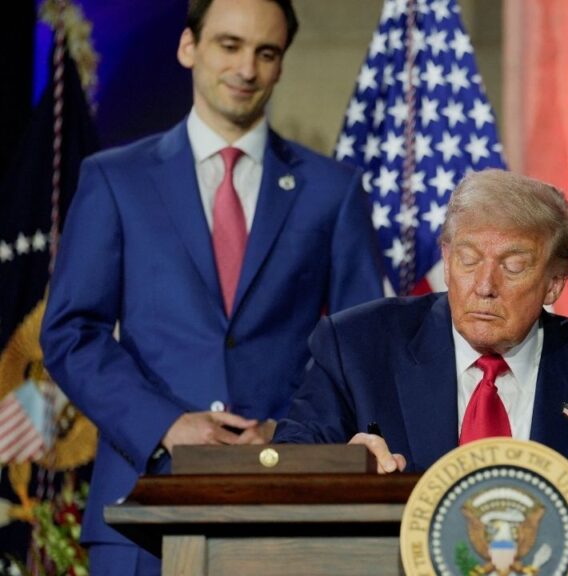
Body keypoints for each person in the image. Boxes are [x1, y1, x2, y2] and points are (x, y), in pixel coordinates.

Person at [40, 0, 382, 573]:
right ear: (188, 47)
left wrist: (292, 434)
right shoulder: (113, 179)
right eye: (229, 45)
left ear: (280, 65)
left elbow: (363, 347)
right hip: (140, 510)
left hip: (288, 510)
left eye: (265, 52)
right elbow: (72, 334)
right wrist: (167, 424)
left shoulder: (333, 191)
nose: (246, 68)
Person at [273, 169, 568, 474]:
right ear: (446, 257)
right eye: (468, 259)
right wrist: (342, 469)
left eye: (513, 267)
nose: (484, 286)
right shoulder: (356, 348)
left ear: (554, 283)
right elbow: (288, 468)